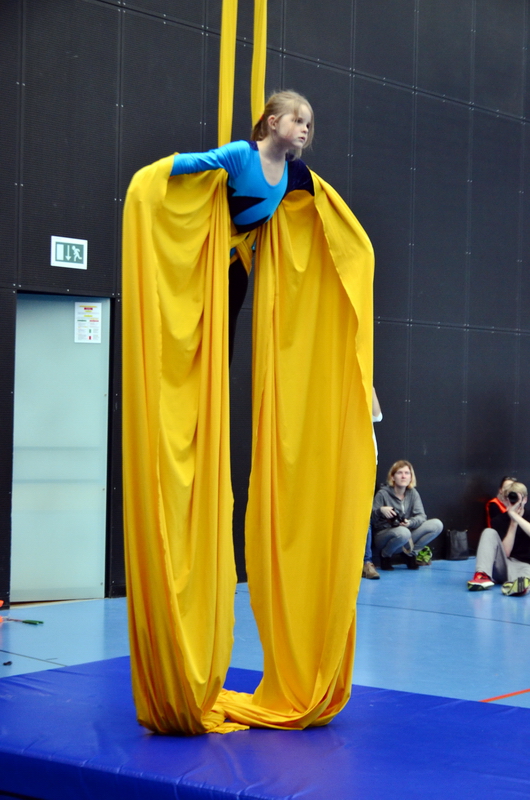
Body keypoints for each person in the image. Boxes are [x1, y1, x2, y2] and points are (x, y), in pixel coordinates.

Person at [170, 90, 315, 363]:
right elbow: (196, 162)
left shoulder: (296, 172)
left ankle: (217, 389)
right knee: (190, 331)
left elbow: (325, 205)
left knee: (225, 338)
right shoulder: (242, 154)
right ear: (273, 122)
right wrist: (154, 174)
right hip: (206, 256)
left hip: (238, 262)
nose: (305, 129)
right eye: (297, 121)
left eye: (307, 124)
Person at [371, 460, 443, 570]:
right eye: (399, 473)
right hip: (384, 537)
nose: (403, 476)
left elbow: (421, 516)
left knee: (437, 525)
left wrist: (409, 523)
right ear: (393, 477)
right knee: (403, 532)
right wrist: (381, 510)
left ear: (411, 477)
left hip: (406, 534)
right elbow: (370, 520)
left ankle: (410, 554)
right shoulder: (383, 494)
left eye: (407, 473)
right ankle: (385, 555)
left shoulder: (412, 493)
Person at [468, 481, 530, 596]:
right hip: (503, 565)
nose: (514, 501)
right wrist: (513, 523)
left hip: (525, 566)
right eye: (511, 498)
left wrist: (516, 516)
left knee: (526, 575)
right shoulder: (498, 520)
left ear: (525, 499)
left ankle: (516, 586)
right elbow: (506, 553)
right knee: (488, 532)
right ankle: (482, 575)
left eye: (517, 498)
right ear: (505, 500)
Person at [362, 387, 383, 580]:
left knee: (364, 515)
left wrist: (370, 388)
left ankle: (366, 561)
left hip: (366, 464)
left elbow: (377, 416)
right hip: (342, 465)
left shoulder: (363, 401)